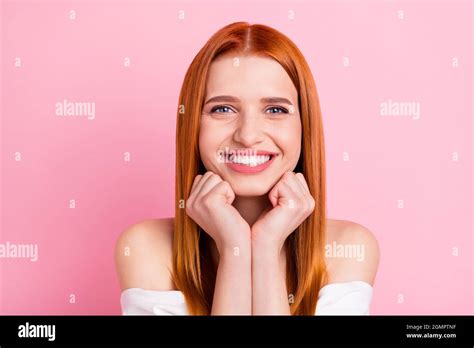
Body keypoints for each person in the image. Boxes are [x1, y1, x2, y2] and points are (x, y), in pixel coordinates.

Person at [115, 22, 380, 315]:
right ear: (193, 124)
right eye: (223, 109)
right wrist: (235, 250)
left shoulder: (349, 248)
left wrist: (265, 248)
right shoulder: (147, 248)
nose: (248, 134)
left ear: (304, 126)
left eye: (275, 109)